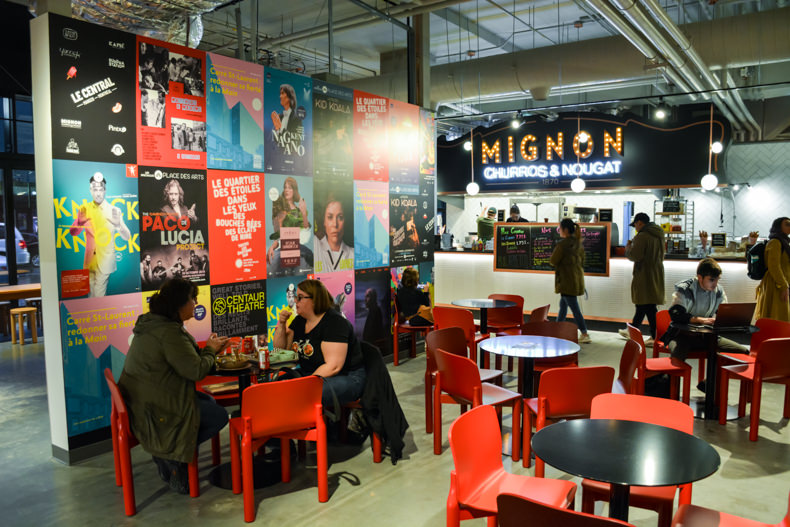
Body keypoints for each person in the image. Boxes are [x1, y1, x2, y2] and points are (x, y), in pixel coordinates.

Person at [118, 278, 230, 494]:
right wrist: (210, 351)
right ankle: (173, 459)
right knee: (218, 416)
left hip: (146, 402)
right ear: (179, 304)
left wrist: (208, 351)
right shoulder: (168, 333)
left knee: (207, 401)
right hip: (157, 411)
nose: (196, 304)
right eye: (192, 300)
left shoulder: (155, 324)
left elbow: (182, 361)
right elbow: (196, 371)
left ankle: (173, 456)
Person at [273, 279, 366, 411]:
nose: (295, 301)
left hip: (347, 376)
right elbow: (280, 351)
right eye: (295, 297)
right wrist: (282, 324)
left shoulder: (335, 323)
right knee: (273, 388)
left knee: (304, 394)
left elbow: (333, 367)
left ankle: (314, 429)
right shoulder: (300, 321)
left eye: (300, 297)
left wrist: (305, 384)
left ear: (315, 300)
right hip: (312, 373)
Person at [662, 258, 749, 389]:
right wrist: (701, 320)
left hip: (707, 336)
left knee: (743, 352)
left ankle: (707, 384)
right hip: (682, 336)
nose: (715, 284)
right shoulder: (685, 288)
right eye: (711, 280)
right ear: (700, 277)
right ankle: (668, 392)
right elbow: (676, 313)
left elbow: (723, 312)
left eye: (717, 280)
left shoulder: (718, 291)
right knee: (677, 356)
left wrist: (726, 319)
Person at [69, 172, 131, 297]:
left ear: (105, 190)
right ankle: (94, 315)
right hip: (89, 260)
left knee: (98, 293)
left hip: (105, 259)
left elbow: (127, 236)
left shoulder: (114, 210)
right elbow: (73, 233)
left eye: (100, 189)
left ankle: (98, 314)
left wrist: (118, 225)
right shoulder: (84, 209)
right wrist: (79, 223)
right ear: (90, 190)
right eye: (95, 189)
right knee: (90, 294)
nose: (98, 193)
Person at [618, 212, 665, 346]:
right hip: (656, 272)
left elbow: (635, 256)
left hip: (644, 274)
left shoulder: (642, 236)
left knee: (645, 304)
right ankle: (636, 330)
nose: (635, 228)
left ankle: (651, 334)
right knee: (647, 305)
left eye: (635, 225)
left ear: (639, 222)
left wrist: (628, 249)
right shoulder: (659, 234)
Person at [550, 218, 591, 343]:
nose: (559, 230)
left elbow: (553, 261)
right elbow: (583, 261)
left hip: (566, 280)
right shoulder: (579, 244)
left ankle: (584, 333)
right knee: (563, 305)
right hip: (576, 279)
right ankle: (558, 330)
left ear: (565, 230)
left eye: (560, 228)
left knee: (574, 308)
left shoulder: (562, 245)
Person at [267, 177, 312, 266]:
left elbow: (306, 231)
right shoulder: (279, 210)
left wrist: (303, 213)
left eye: (290, 187)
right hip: (283, 249)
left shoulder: (299, 210)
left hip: (298, 248)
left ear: (294, 190)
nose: (286, 190)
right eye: (285, 187)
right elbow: (278, 236)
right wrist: (272, 247)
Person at [755, 217, 790, 322]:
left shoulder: (783, 242)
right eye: (787, 224)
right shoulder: (775, 242)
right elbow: (774, 266)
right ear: (778, 226)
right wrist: (783, 285)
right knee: (777, 316)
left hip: (780, 283)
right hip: (776, 284)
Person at [314, 194, 353, 273]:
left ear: (345, 221)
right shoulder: (315, 247)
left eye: (340, 217)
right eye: (330, 217)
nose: (335, 224)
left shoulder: (354, 255)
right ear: (324, 221)